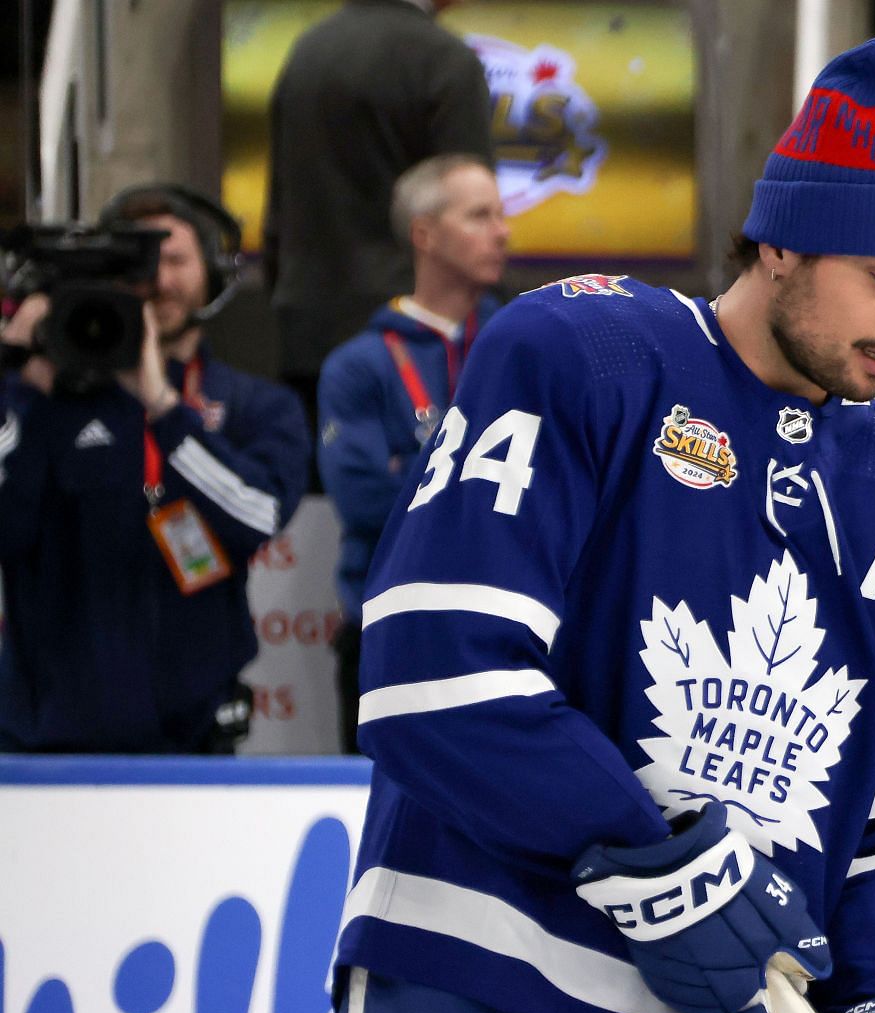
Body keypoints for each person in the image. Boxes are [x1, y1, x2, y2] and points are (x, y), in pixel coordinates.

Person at [330, 40, 875, 1013]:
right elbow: (432, 671)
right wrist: (655, 853)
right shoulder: (585, 351)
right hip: (488, 985)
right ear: (779, 243)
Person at [0, 184, 310, 753]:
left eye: (175, 259)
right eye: (140, 262)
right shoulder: (38, 401)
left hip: (194, 739)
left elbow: (258, 515)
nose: (160, 281)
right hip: (42, 742)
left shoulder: (253, 405)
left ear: (212, 273)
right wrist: (20, 383)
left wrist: (163, 407)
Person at [317, 153, 508, 751]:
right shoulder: (360, 364)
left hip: (505, 636)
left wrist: (416, 468)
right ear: (424, 234)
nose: (502, 231)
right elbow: (363, 498)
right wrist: (485, 481)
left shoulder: (525, 350)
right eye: (479, 215)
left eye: (501, 215)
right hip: (388, 634)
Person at [263, 0, 493, 435]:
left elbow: (278, 205)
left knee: (321, 500)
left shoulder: (305, 52)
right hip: (412, 349)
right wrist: (494, 331)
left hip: (308, 331)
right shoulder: (445, 59)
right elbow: (470, 210)